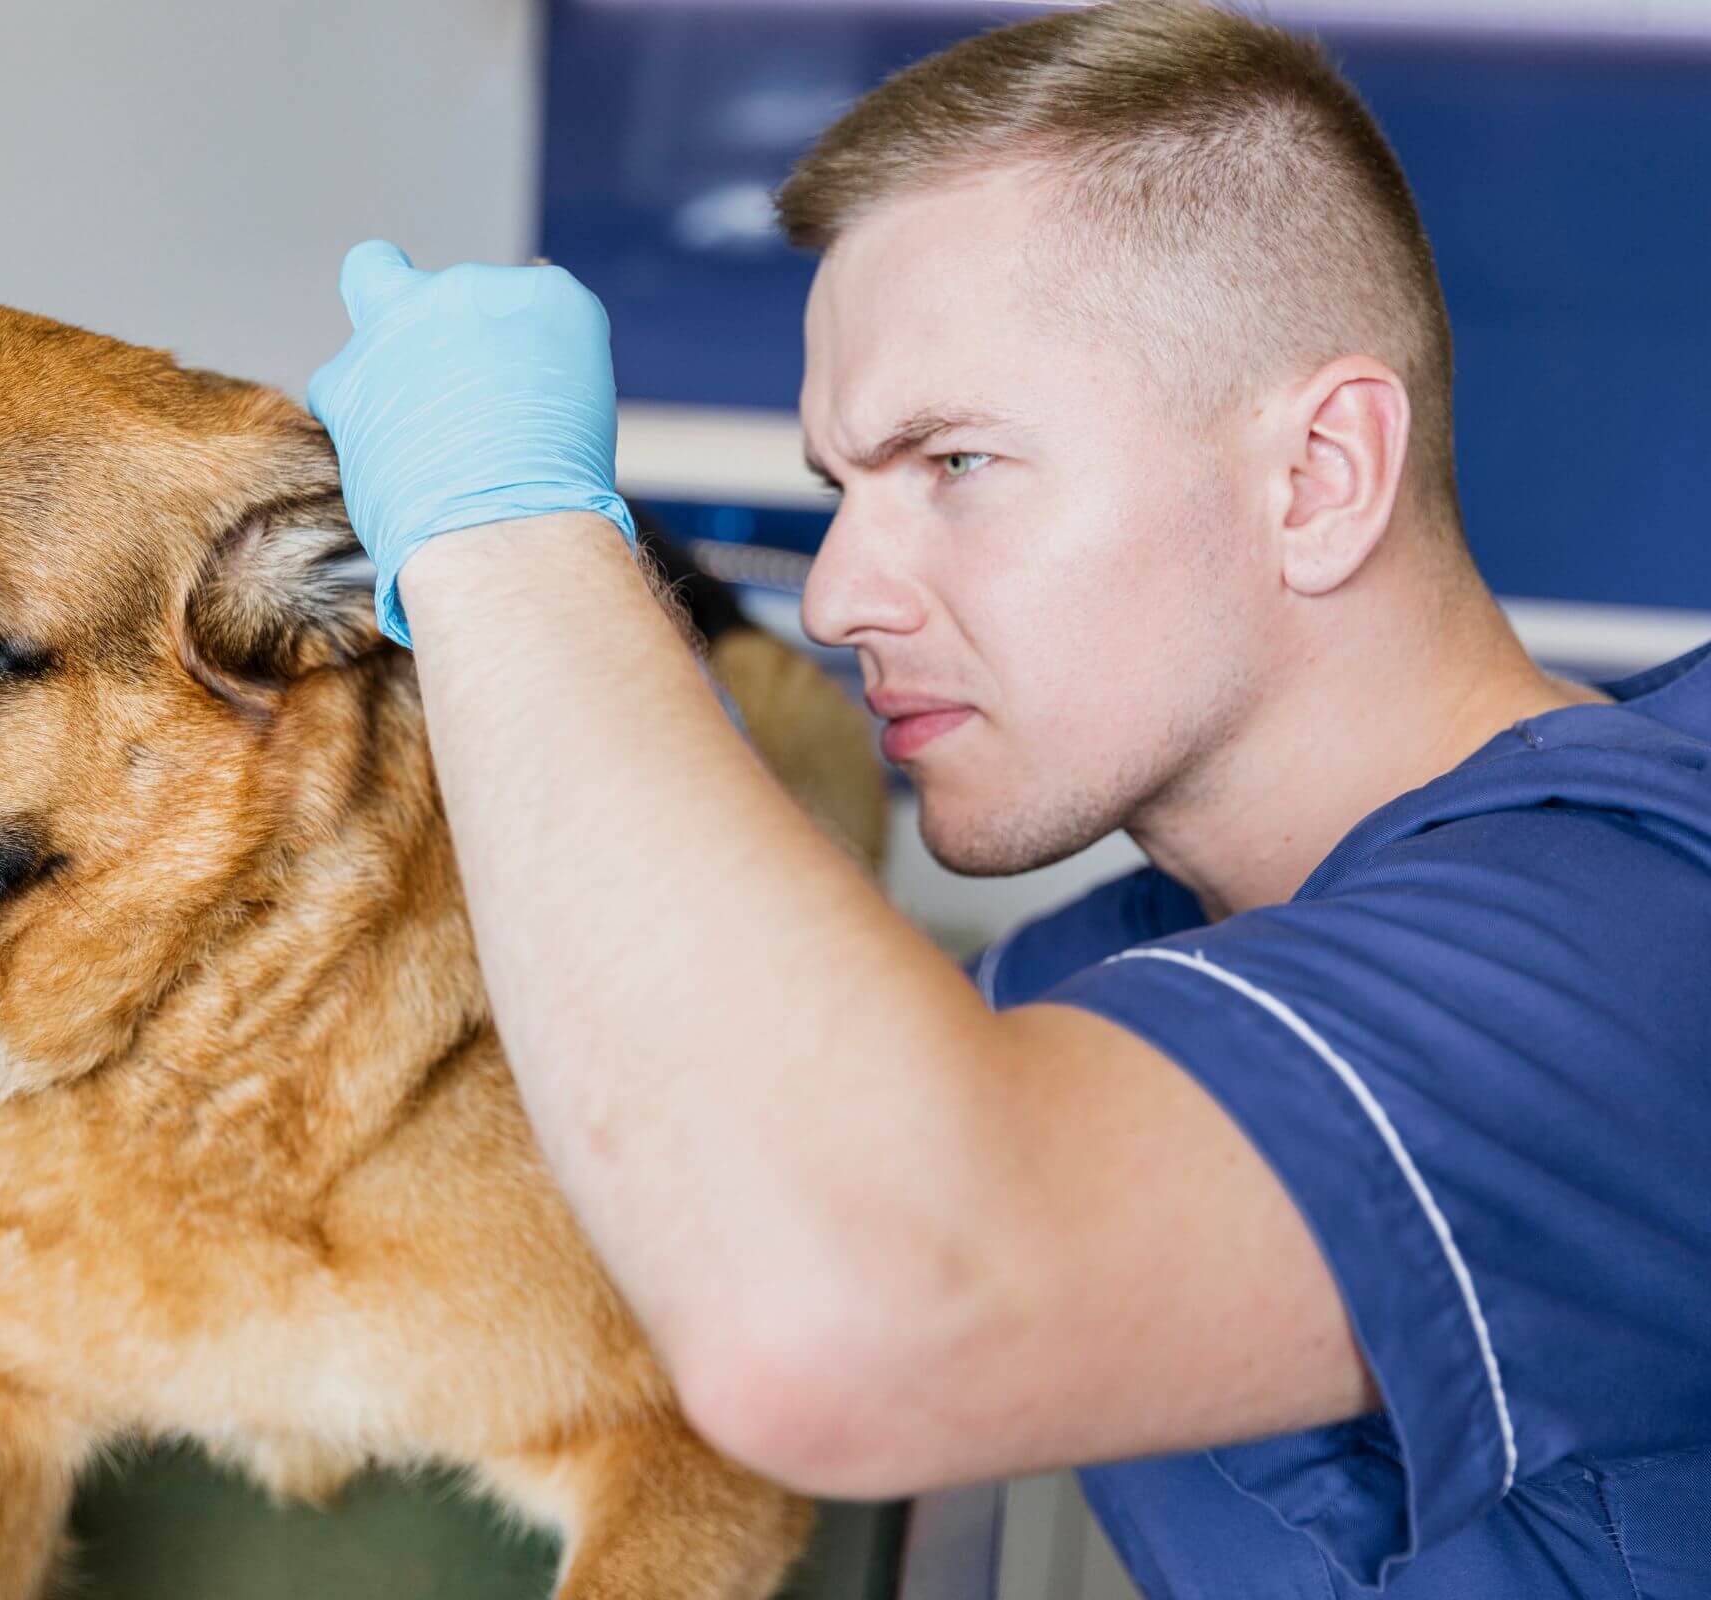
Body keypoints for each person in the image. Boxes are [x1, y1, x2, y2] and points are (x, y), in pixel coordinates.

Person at [304, 1, 1711, 1593]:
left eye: (955, 465)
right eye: (846, 492)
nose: (835, 598)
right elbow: (701, 1163)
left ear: (1319, 477)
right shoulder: (1099, 985)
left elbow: (843, 1319)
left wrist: (503, 533)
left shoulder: (1644, 933)